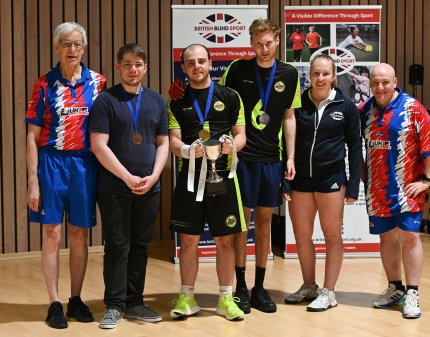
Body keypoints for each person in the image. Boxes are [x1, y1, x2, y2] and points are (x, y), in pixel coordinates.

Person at [25, 22, 106, 329]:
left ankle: (76, 298)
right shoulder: (44, 85)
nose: (73, 50)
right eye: (67, 44)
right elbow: (31, 137)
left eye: (78, 45)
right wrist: (33, 181)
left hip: (84, 164)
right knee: (52, 233)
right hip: (51, 162)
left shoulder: (98, 82)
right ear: (56, 48)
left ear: (84, 48)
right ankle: (54, 302)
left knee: (79, 233)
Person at [219, 18, 301, 314]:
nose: (263, 49)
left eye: (268, 43)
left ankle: (260, 287)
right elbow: (221, 107)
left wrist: (290, 157)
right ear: (250, 44)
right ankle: (240, 286)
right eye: (258, 44)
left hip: (272, 160)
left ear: (277, 40)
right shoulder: (237, 69)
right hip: (242, 160)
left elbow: (289, 117)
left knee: (265, 222)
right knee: (242, 222)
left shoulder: (289, 74)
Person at [89, 43, 169, 329]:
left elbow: (163, 143)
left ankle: (134, 301)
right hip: (114, 187)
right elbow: (98, 146)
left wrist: (155, 176)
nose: (132, 69)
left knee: (140, 245)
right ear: (118, 67)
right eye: (127, 64)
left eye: (138, 64)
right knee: (117, 247)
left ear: (145, 68)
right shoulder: (105, 101)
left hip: (149, 186)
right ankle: (114, 305)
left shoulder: (157, 101)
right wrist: (126, 177)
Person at [168, 44, 247, 321]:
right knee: (188, 241)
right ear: (184, 67)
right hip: (189, 181)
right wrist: (187, 151)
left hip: (223, 178)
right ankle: (187, 297)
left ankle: (226, 297)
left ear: (211, 63)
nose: (197, 66)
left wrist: (231, 147)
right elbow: (174, 141)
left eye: (202, 61)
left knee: (225, 240)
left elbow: (241, 135)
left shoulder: (231, 96)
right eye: (191, 62)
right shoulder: (176, 101)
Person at [284, 53, 361, 312]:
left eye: (325, 73)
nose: (320, 78)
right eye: (316, 73)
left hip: (332, 179)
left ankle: (329, 292)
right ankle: (309, 285)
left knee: (331, 236)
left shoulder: (346, 105)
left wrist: (354, 184)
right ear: (309, 75)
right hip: (301, 180)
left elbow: (354, 146)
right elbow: (287, 142)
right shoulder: (298, 104)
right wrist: (285, 179)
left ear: (333, 76)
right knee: (302, 235)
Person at [359, 63, 430, 319]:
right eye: (376, 82)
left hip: (407, 188)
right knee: (386, 239)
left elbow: (429, 144)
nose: (380, 87)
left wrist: (426, 180)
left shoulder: (413, 108)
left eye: (385, 82)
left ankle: (412, 292)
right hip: (377, 190)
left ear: (395, 81)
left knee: (410, 237)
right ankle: (395, 288)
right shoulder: (365, 109)